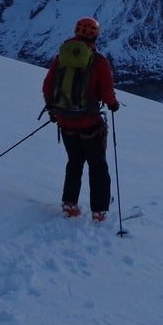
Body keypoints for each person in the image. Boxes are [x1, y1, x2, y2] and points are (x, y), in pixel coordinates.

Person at [42, 17, 120, 221]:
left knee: (74, 162)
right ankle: (99, 211)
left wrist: (53, 109)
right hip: (90, 124)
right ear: (95, 35)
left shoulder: (61, 57)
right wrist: (113, 104)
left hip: (65, 122)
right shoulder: (99, 61)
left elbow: (48, 86)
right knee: (98, 165)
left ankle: (69, 204)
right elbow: (107, 91)